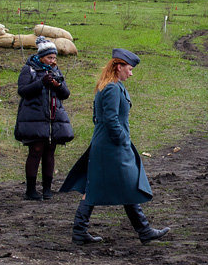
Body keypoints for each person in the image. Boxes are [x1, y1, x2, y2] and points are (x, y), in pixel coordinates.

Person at [59, 48, 170, 245]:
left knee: (111, 184)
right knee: (117, 183)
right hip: (111, 146)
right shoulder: (111, 88)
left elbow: (98, 117)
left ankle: (83, 231)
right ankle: (141, 230)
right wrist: (121, 139)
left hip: (107, 143)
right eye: (129, 68)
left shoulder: (111, 86)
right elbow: (109, 118)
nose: (131, 72)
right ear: (119, 67)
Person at [14, 37, 74, 200]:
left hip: (53, 118)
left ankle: (47, 189)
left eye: (54, 58)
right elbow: (23, 91)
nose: (52, 61)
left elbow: (66, 94)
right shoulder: (29, 69)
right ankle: (31, 190)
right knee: (36, 151)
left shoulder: (56, 70)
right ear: (41, 56)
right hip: (34, 117)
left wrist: (58, 85)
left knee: (50, 152)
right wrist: (41, 83)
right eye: (49, 58)